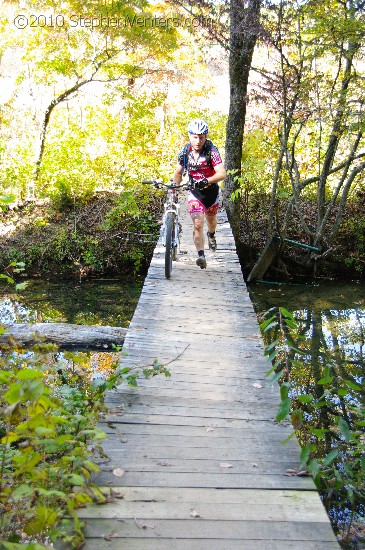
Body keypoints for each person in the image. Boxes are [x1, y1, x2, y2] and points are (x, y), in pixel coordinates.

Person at [172, 119, 226, 269]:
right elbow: (178, 172)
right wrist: (174, 189)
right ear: (189, 136)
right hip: (194, 193)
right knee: (197, 223)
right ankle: (201, 255)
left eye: (201, 137)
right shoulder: (185, 152)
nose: (198, 140)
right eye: (195, 137)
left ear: (206, 136)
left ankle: (212, 235)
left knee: (211, 221)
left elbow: (222, 173)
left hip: (211, 193)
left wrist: (207, 180)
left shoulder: (212, 151)